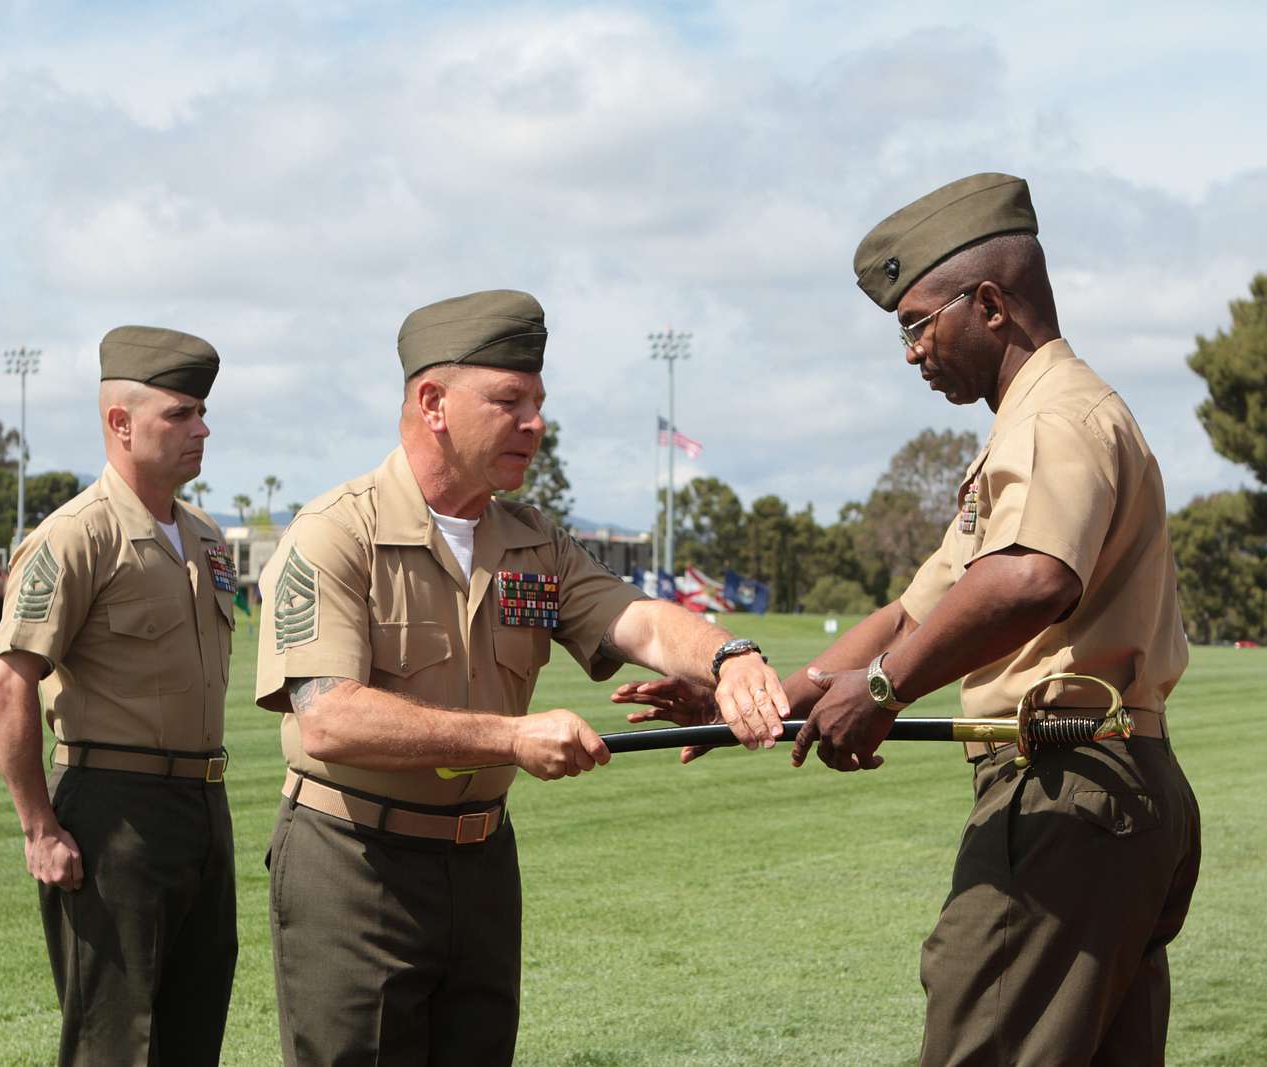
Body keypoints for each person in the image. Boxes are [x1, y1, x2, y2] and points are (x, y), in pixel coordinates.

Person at [619, 174, 1202, 1066]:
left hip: (1062, 791)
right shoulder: (1032, 426)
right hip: (1107, 791)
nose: (910, 351)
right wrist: (763, 696)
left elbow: (1030, 580)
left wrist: (886, 691)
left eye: (918, 322)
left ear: (992, 305)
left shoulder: (1055, 418)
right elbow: (912, 611)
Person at [254, 289, 789, 1067]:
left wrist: (727, 655)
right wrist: (510, 736)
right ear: (432, 402)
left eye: (538, 400)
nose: (535, 422)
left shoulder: (534, 540)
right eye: (509, 401)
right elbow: (328, 718)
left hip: (481, 865)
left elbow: (636, 619)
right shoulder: (337, 531)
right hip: (355, 865)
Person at [0, 326, 238, 1066]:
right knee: (116, 1042)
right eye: (180, 413)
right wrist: (39, 827)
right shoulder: (78, 535)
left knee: (194, 1032)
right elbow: (6, 683)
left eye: (202, 413)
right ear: (120, 423)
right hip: (116, 814)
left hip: (202, 805)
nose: (202, 428)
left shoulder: (204, 536)